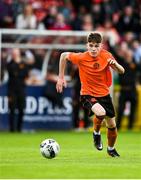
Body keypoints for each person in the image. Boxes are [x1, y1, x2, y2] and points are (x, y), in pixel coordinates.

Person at [56, 32, 125, 157]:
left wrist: (115, 65)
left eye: (96, 46)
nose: (93, 49)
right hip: (87, 94)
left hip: (104, 94)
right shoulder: (81, 57)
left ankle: (111, 149)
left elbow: (122, 71)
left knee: (112, 125)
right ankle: (96, 134)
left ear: (101, 46)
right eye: (91, 45)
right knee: (100, 113)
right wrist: (61, 77)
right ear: (87, 45)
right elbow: (63, 55)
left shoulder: (106, 56)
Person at [7, 48, 29, 132]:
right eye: (13, 53)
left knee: (21, 109)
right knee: (12, 109)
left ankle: (19, 128)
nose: (15, 54)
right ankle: (12, 129)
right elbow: (14, 73)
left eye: (16, 53)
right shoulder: (10, 64)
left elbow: (25, 74)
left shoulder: (24, 64)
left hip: (21, 89)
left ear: (19, 53)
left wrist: (20, 73)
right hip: (12, 90)